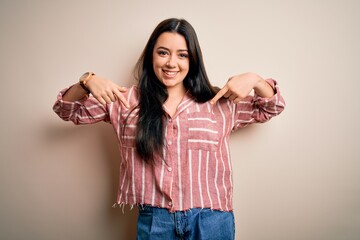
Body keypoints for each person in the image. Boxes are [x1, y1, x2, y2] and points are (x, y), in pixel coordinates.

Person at [53, 18, 285, 240]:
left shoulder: (219, 101)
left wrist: (255, 80)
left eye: (182, 55)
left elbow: (272, 107)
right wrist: (86, 81)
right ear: (151, 56)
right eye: (163, 52)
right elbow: (66, 110)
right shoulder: (125, 100)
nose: (171, 63)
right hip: (156, 220)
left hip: (212, 220)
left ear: (192, 60)